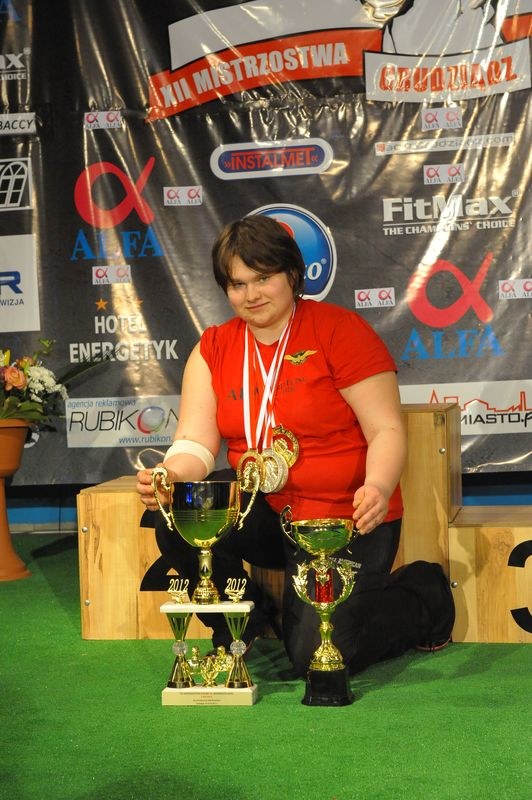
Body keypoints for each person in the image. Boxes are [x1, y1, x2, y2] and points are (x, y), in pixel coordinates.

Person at [137, 214, 451, 676]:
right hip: (266, 510)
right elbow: (196, 443)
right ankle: (239, 620)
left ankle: (423, 596)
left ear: (292, 274)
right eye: (238, 284)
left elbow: (386, 429)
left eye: (263, 278)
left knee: (317, 658)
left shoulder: (340, 331)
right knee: (179, 513)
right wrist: (171, 476)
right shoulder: (214, 348)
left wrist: (379, 487)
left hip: (345, 517)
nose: (252, 295)